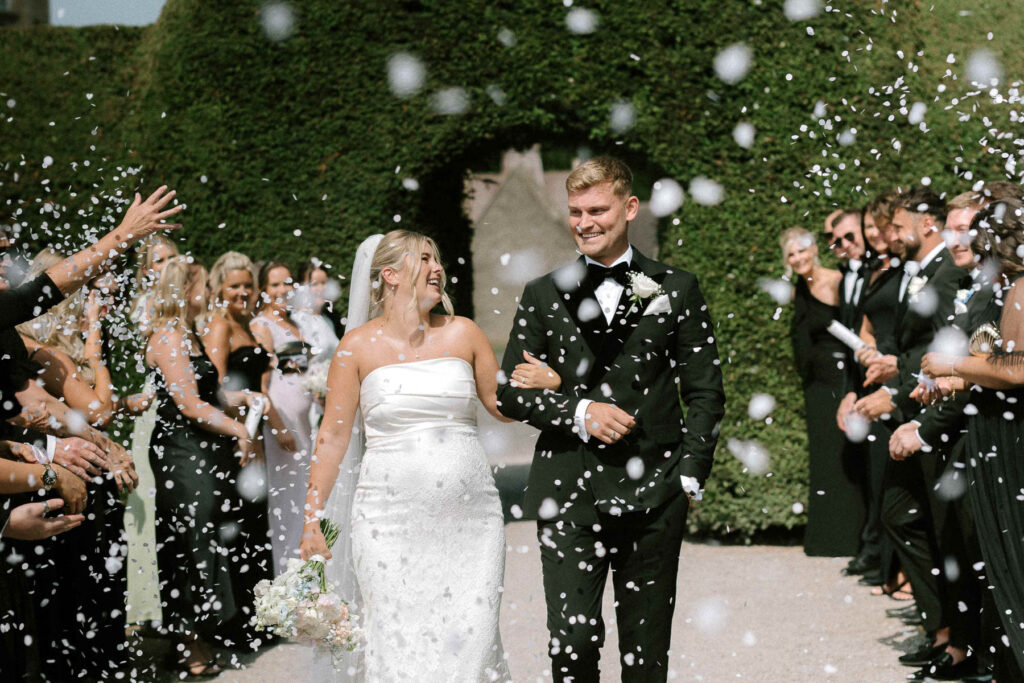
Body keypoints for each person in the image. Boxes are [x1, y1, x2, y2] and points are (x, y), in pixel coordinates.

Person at [495, 156, 726, 682]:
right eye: (575, 211)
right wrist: (578, 410)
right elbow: (509, 393)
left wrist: (690, 472)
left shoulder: (676, 288)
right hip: (567, 488)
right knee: (572, 641)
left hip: (655, 490)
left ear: (630, 208)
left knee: (646, 651)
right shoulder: (543, 293)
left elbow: (706, 390)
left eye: (597, 210)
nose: (584, 222)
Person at [300, 230, 551, 681]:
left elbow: (503, 406)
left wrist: (547, 385)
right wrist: (312, 519)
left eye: (438, 259)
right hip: (387, 523)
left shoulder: (464, 333)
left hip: (471, 522)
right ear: (390, 275)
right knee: (397, 644)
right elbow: (333, 437)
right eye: (425, 259)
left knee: (470, 645)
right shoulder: (355, 347)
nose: (438, 268)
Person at [853, 186, 971, 669]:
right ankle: (942, 628)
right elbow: (917, 346)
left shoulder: (947, 275)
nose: (892, 236)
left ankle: (959, 640)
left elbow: (949, 351)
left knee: (950, 535)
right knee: (902, 515)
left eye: (898, 226)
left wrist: (899, 390)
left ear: (926, 224)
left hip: (940, 419)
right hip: (915, 409)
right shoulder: (927, 271)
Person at [920, 195, 1024, 680]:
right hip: (995, 436)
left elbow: (1020, 368)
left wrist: (954, 365)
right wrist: (964, 380)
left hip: (1008, 444)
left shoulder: (1021, 287)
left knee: (1010, 570)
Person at [146, 256, 260, 677]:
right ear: (183, 289)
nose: (210, 293)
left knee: (205, 539)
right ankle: (184, 642)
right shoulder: (167, 337)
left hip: (201, 451)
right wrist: (239, 430)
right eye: (203, 286)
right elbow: (189, 405)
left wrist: (240, 400)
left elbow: (209, 393)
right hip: (179, 452)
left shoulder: (190, 334)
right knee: (187, 542)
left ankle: (202, 633)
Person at [206, 251, 280, 644]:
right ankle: (238, 622)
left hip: (257, 438)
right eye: (234, 285)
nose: (242, 292)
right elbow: (215, 389)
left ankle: (262, 616)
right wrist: (243, 422)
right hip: (235, 439)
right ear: (219, 288)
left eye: (247, 285)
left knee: (257, 526)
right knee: (239, 527)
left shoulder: (250, 325)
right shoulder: (220, 327)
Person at [781, 226, 864, 556]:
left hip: (838, 380)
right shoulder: (797, 287)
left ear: (814, 249)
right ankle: (826, 538)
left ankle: (851, 538)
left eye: (802, 250)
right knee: (823, 458)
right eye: (791, 254)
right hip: (814, 383)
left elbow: (854, 328)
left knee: (845, 455)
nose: (798, 257)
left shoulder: (836, 280)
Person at [252, 261, 316, 574]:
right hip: (283, 426)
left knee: (306, 497)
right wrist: (277, 426)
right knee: (287, 501)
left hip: (306, 423)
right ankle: (287, 577)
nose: (281, 291)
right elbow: (261, 385)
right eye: (274, 285)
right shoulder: (262, 326)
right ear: (263, 290)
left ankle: (309, 572)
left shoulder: (294, 325)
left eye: (286, 284)